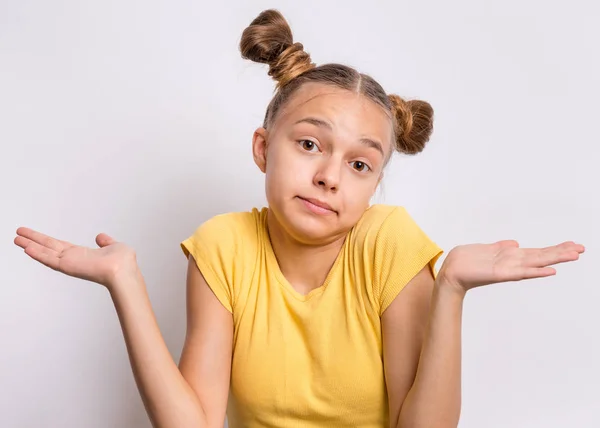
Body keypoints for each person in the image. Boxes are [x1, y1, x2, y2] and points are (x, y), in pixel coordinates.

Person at [13, 9, 585, 428]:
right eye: (310, 145)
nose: (331, 176)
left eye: (360, 163)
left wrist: (452, 288)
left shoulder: (390, 243)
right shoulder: (223, 247)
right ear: (264, 147)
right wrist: (125, 283)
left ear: (374, 182)